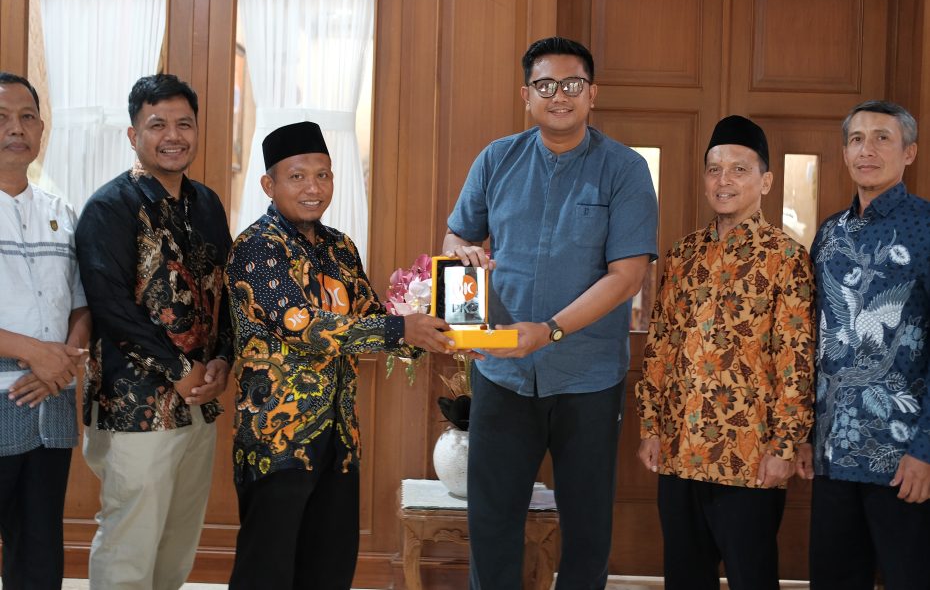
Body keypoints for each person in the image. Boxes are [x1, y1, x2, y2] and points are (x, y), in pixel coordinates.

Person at [444, 36, 658, 589]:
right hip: (502, 371)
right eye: (544, 85)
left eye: (571, 84)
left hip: (587, 377)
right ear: (526, 95)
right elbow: (456, 238)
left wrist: (550, 331)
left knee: (587, 529)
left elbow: (628, 275)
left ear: (592, 93)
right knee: (492, 522)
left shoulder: (625, 169)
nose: (558, 95)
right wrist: (464, 262)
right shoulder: (497, 158)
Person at [225, 121, 460, 589]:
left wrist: (440, 326)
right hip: (277, 439)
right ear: (269, 185)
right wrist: (401, 328)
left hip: (340, 440)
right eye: (297, 177)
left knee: (330, 570)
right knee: (266, 573)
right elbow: (302, 325)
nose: (313, 188)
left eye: (323, 175)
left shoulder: (340, 247)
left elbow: (372, 318)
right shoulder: (256, 247)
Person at [636, 115, 815, 590]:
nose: (724, 181)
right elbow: (660, 345)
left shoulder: (786, 258)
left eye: (739, 169)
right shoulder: (683, 255)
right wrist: (650, 427)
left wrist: (784, 446)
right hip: (679, 452)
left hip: (750, 457)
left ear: (765, 181)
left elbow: (796, 360)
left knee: (752, 578)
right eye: (714, 169)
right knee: (684, 579)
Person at [75, 73, 232, 590]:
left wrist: (222, 360)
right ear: (133, 134)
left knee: (177, 542)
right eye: (157, 124)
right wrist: (179, 370)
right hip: (134, 406)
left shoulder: (206, 204)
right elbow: (111, 308)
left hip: (198, 400)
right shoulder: (109, 207)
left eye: (184, 124)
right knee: (130, 543)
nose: (173, 136)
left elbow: (224, 292)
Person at [796, 100, 930, 590]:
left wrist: (926, 450)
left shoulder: (925, 228)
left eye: (882, 138)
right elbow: (813, 339)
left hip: (902, 458)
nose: (866, 150)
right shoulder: (829, 234)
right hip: (834, 454)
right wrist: (805, 434)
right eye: (856, 139)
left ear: (909, 152)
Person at [0, 72, 90, 590]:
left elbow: (80, 303)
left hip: (50, 405)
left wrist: (63, 360)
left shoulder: (61, 212)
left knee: (39, 551)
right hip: (6, 392)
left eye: (27, 117)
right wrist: (34, 352)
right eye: (2, 118)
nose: (17, 128)